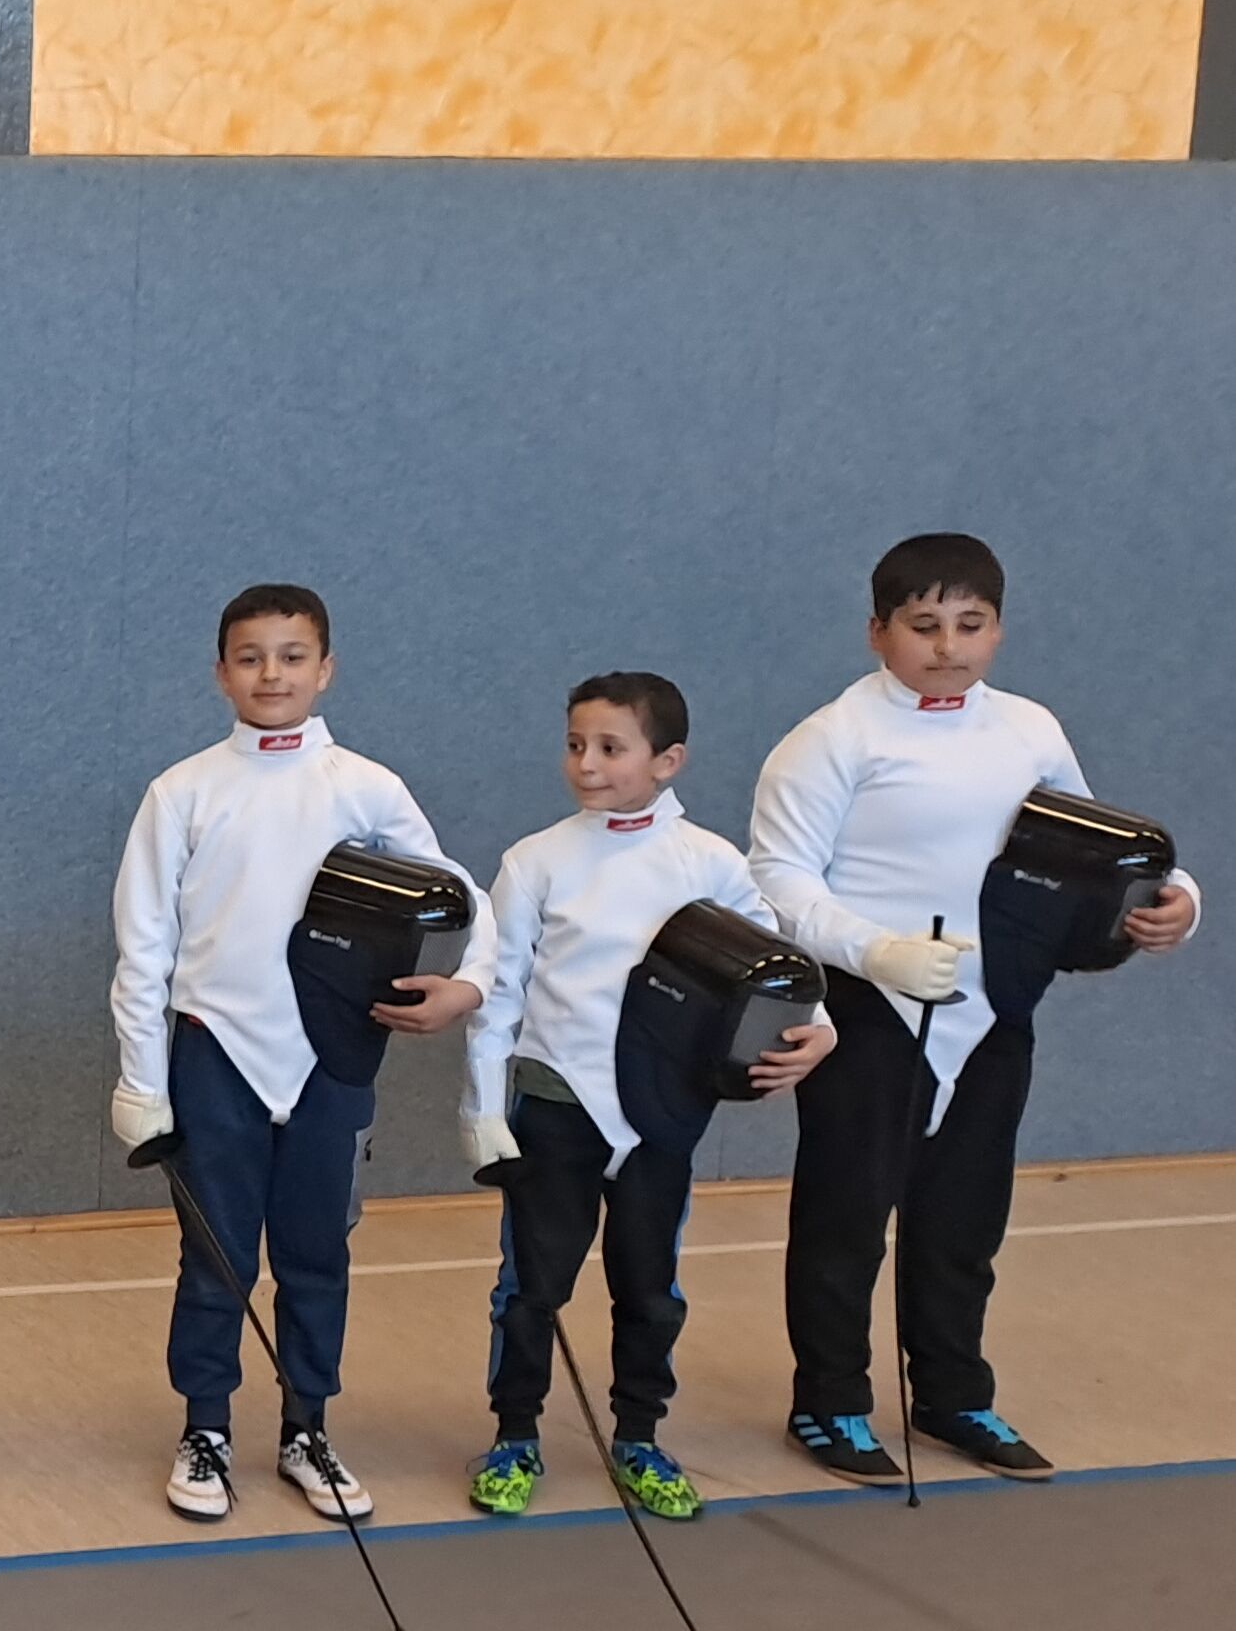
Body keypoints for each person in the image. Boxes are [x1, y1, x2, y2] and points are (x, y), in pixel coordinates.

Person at [750, 534, 1200, 1482]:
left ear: (998, 629)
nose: (947, 646)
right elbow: (777, 881)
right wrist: (875, 951)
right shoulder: (833, 740)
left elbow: (1099, 850)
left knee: (964, 1215)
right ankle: (829, 1402)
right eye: (923, 625)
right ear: (878, 631)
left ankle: (954, 1394)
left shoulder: (1029, 730)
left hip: (993, 1009)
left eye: (970, 623)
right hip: (872, 1012)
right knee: (847, 1215)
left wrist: (1178, 899)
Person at [108, 583, 486, 1526]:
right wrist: (141, 1079)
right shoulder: (183, 792)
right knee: (216, 1259)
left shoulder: (366, 788)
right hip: (215, 1054)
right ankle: (205, 1428)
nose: (270, 674)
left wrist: (468, 985)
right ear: (220, 673)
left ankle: (306, 1428)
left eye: (291, 656)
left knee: (318, 1253)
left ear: (326, 669)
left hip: (331, 1058)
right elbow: (143, 947)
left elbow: (458, 897)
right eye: (250, 657)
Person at [457, 673, 834, 1519]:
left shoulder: (709, 862)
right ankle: (515, 1436)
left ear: (668, 761)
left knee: (650, 1286)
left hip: (661, 1113)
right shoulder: (536, 861)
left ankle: (639, 1436)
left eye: (610, 748)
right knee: (531, 1287)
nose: (587, 764)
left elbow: (774, 967)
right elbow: (499, 992)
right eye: (575, 745)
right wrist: (482, 1110)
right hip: (556, 1106)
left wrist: (821, 1027)